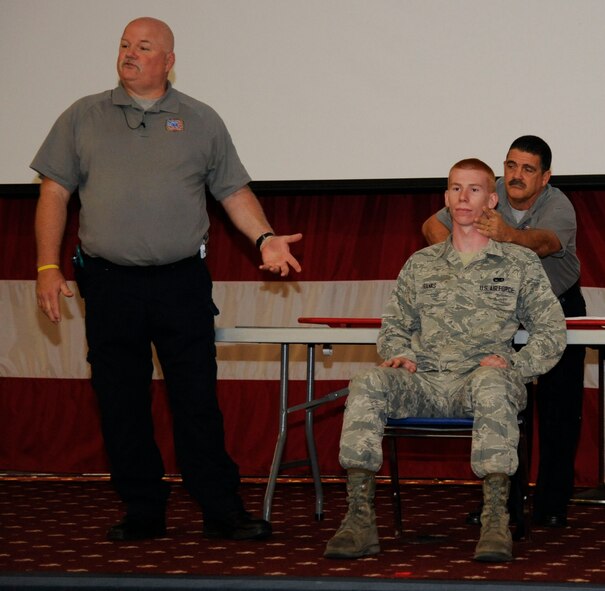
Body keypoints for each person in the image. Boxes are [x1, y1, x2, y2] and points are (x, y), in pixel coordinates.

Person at [32, 17, 302, 543]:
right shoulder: (81, 117)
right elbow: (53, 194)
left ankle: (221, 509)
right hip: (109, 283)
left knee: (196, 399)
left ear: (169, 61)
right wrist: (48, 266)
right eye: (125, 45)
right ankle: (142, 509)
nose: (130, 54)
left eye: (144, 47)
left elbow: (233, 192)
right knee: (120, 399)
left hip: (181, 283)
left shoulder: (200, 120)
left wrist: (265, 237)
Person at [324, 158, 565, 562]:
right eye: (455, 188)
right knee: (368, 382)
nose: (464, 197)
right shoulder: (422, 263)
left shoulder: (519, 263)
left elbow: (552, 332)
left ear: (492, 199)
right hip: (425, 381)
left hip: (481, 382)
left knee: (492, 385)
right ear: (446, 198)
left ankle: (494, 520)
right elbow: (394, 326)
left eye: (474, 189)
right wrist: (399, 354)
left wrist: (516, 367)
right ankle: (359, 519)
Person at [422, 136, 586, 528]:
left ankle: (551, 504)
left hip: (555, 306)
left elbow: (544, 243)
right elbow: (431, 226)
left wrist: (506, 236)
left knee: (558, 411)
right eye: (511, 166)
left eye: (528, 169)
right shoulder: (488, 193)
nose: (516, 176)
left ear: (545, 177)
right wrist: (463, 262)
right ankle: (503, 504)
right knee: (500, 406)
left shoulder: (558, 204)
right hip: (498, 312)